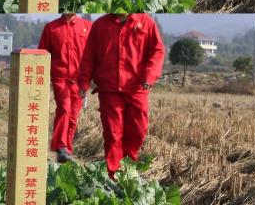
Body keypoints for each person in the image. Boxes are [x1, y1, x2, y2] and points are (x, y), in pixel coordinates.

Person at [78, 14, 165, 179]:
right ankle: (113, 176)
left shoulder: (146, 22)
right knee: (113, 133)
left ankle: (128, 167)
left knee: (138, 130)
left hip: (136, 88)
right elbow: (89, 56)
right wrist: (83, 84)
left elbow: (157, 51)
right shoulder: (101, 25)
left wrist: (149, 75)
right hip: (109, 88)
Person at [38, 13, 92, 163]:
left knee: (73, 116)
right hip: (60, 77)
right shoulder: (51, 28)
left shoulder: (88, 27)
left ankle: (66, 150)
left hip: (80, 80)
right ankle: (61, 146)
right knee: (64, 108)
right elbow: (42, 54)